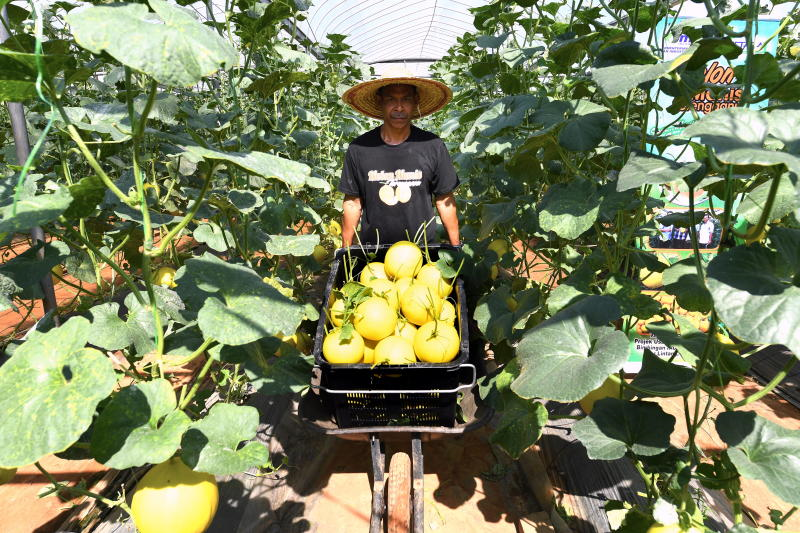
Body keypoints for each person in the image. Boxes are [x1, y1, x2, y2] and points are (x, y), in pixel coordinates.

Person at [338, 67, 460, 247]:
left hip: (423, 250)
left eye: (406, 99)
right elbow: (352, 203)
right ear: (379, 101)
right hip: (373, 251)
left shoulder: (432, 146)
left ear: (416, 101)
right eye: (391, 99)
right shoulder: (360, 148)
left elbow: (444, 200)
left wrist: (456, 246)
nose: (399, 107)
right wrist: (345, 251)